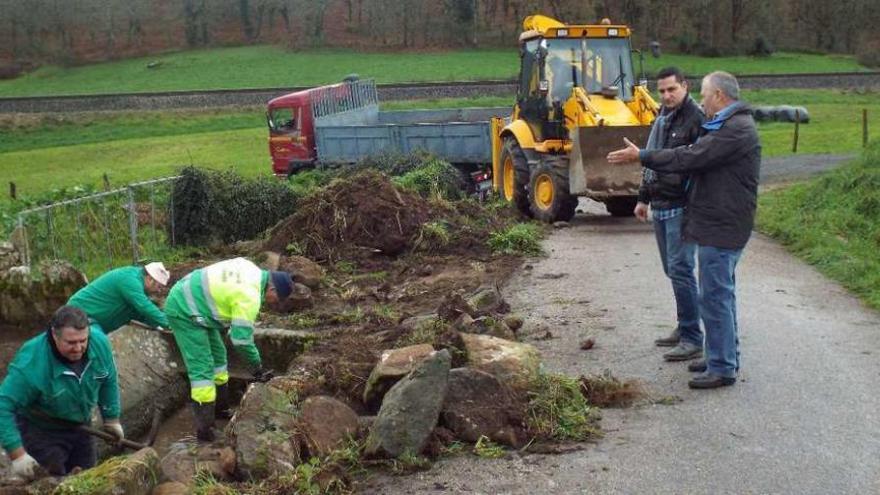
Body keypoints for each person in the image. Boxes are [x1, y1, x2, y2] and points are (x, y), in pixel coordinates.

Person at [607, 71, 760, 389]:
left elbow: (692, 156)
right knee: (719, 294)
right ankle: (721, 355)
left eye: (704, 94)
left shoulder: (734, 129)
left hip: (723, 223)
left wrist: (643, 156)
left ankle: (722, 366)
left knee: (715, 296)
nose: (702, 100)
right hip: (716, 221)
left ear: (718, 95)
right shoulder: (726, 125)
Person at [163, 257, 293, 441]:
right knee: (202, 368)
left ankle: (221, 409)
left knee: (219, 356)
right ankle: (205, 431)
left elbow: (223, 295)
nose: (274, 304)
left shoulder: (251, 269)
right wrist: (257, 368)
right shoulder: (250, 296)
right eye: (277, 299)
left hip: (198, 305)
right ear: (272, 289)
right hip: (184, 310)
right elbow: (240, 340)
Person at [0, 306, 122, 480]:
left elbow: (107, 378)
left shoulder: (99, 342)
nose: (78, 348)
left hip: (81, 425)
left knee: (88, 477)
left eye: (83, 340)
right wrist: (17, 454)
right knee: (51, 481)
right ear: (54, 335)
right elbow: (3, 405)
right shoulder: (31, 363)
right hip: (42, 429)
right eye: (71, 343)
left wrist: (112, 419)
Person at [634, 67, 705, 362]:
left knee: (681, 269)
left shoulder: (696, 119)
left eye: (671, 90)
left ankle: (692, 337)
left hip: (682, 206)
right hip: (661, 205)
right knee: (672, 270)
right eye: (661, 91)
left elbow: (698, 162)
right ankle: (684, 324)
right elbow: (653, 159)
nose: (666, 95)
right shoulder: (662, 119)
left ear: (685, 86)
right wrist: (642, 198)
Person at [67, 262, 171, 333]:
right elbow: (144, 306)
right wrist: (171, 324)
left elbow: (141, 313)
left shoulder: (135, 281)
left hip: (92, 319)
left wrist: (159, 326)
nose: (159, 291)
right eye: (159, 286)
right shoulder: (130, 280)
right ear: (150, 279)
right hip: (80, 314)